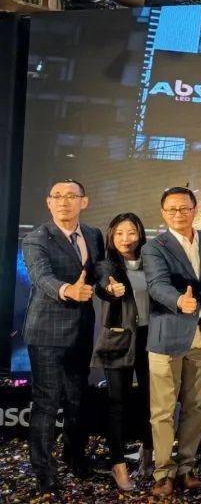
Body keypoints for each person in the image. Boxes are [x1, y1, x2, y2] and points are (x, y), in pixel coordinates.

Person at [21, 179, 104, 495]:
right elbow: (41, 277)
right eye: (57, 196)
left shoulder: (93, 234)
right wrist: (68, 290)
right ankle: (44, 472)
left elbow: (99, 270)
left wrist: (108, 283)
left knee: (76, 399)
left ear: (84, 201)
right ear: (49, 202)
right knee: (46, 402)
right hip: (46, 331)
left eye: (71, 196)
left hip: (81, 330)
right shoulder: (36, 238)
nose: (63, 201)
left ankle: (75, 458)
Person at [143, 186, 201, 496]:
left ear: (195, 209)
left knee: (195, 406)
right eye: (172, 209)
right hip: (166, 336)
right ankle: (163, 472)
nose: (178, 214)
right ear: (163, 213)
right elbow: (156, 285)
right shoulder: (154, 247)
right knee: (163, 410)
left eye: (184, 208)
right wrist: (179, 301)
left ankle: (187, 466)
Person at [92, 212, 154, 491]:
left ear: (140, 235)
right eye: (119, 233)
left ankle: (149, 455)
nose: (125, 239)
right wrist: (110, 289)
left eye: (131, 232)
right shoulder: (107, 264)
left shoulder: (152, 262)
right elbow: (103, 285)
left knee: (153, 401)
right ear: (111, 236)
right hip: (118, 340)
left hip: (150, 339)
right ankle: (118, 465)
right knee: (117, 403)